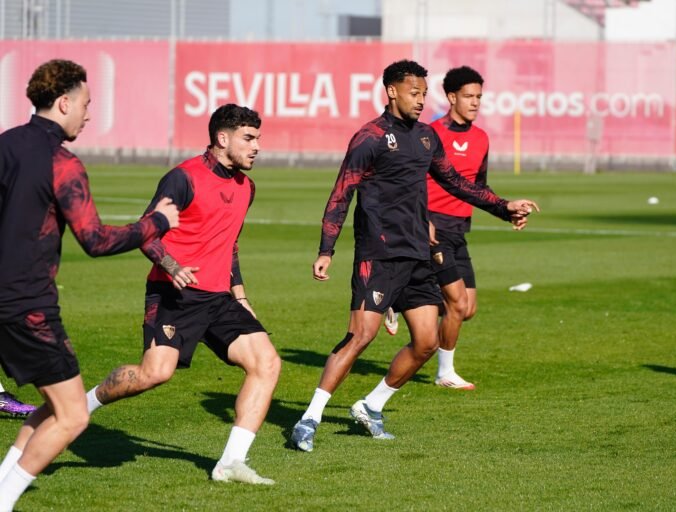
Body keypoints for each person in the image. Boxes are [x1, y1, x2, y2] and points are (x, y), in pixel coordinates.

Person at [290, 59, 539, 452]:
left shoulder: (426, 136)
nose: (421, 100)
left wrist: (502, 207)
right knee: (361, 336)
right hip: (379, 254)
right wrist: (326, 249)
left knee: (426, 342)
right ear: (392, 91)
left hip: (419, 254)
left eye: (424, 93)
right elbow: (341, 194)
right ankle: (309, 418)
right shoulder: (370, 137)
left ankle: (371, 405)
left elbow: (456, 182)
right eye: (414, 93)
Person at [0, 59, 179, 512]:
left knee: (54, 401)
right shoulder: (62, 162)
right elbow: (95, 240)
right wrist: (157, 222)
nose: (88, 114)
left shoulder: (5, 144)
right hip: (27, 305)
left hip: (7, 299)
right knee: (74, 415)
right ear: (64, 102)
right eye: (85, 104)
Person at [85, 104, 281, 486]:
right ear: (222, 138)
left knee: (267, 363)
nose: (257, 146)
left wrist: (240, 296)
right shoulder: (183, 178)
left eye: (258, 138)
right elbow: (146, 231)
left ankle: (231, 463)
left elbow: (230, 244)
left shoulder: (247, 187)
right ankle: (84, 405)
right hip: (173, 293)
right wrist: (172, 266)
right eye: (248, 138)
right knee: (154, 374)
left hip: (219, 298)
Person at [389, 65, 496, 390]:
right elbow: (410, 183)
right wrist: (422, 220)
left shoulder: (481, 138)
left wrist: (505, 209)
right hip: (432, 229)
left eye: (479, 97)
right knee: (457, 303)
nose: (475, 102)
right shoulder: (430, 134)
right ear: (451, 97)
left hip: (459, 230)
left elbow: (479, 186)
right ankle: (444, 373)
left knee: (467, 308)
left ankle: (400, 298)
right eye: (468, 96)